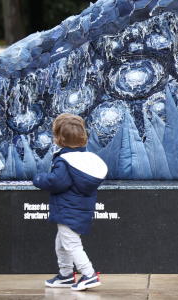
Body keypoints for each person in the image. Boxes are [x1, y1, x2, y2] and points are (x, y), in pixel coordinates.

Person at [33, 113, 108, 291]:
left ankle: (89, 275)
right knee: (61, 244)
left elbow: (57, 182)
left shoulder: (65, 161)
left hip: (68, 210)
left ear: (59, 139)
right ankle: (66, 275)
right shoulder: (86, 159)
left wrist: (39, 179)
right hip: (79, 209)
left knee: (71, 245)